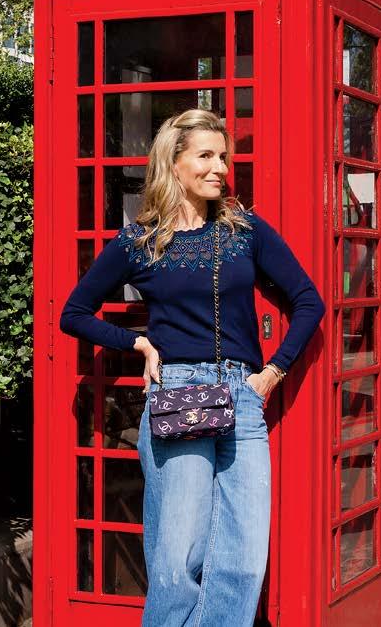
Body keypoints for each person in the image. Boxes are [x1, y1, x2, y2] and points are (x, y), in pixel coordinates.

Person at [60, 109, 325, 627]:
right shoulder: (141, 240)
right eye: (206, 156)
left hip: (243, 395)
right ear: (174, 163)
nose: (219, 167)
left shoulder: (244, 230)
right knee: (179, 560)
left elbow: (308, 300)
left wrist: (273, 372)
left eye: (223, 157)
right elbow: (74, 313)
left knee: (244, 558)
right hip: (178, 392)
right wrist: (137, 342)